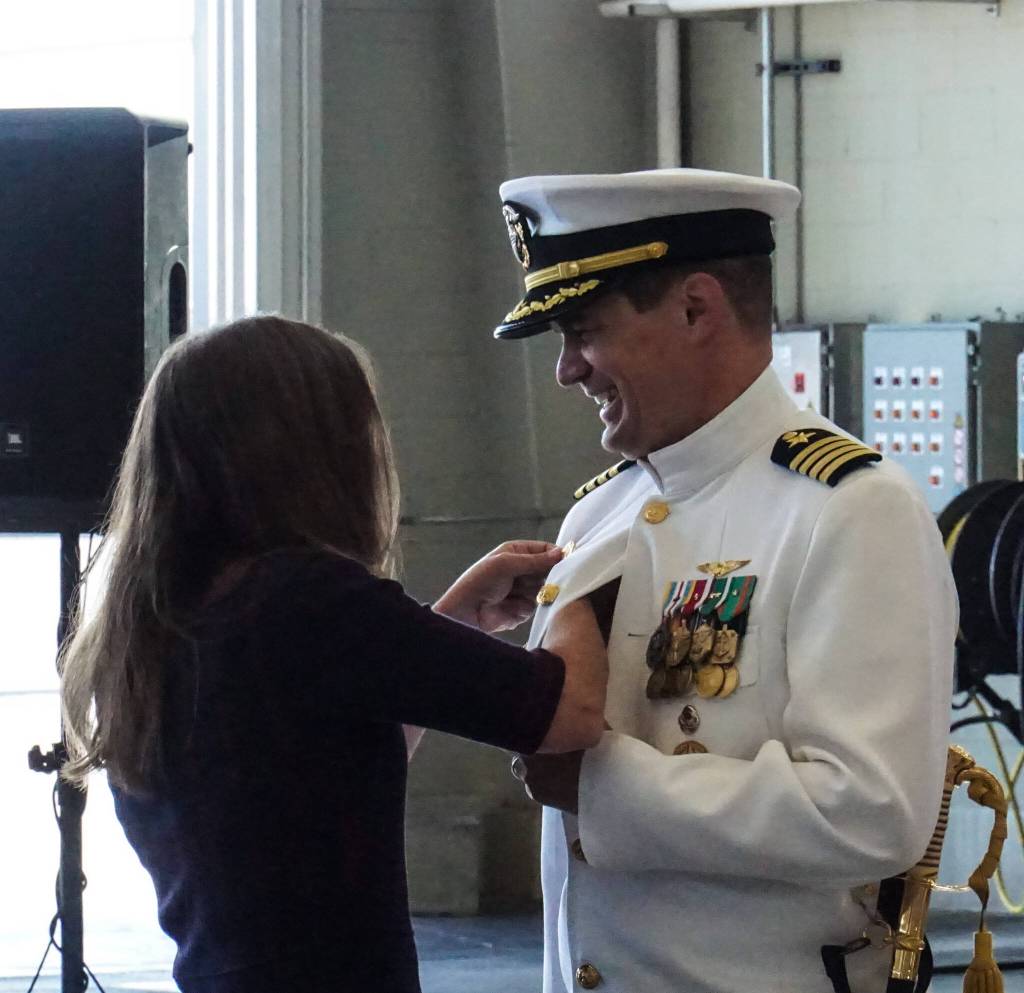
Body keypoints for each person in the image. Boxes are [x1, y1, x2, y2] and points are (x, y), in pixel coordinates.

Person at [495, 170, 957, 993]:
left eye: (584, 330)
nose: (567, 370)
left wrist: (604, 789)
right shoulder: (598, 516)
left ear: (696, 309)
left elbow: (872, 811)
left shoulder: (850, 509)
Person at [58, 315, 609, 993]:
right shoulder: (310, 597)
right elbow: (570, 711)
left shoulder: (160, 617)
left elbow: (324, 775)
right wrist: (585, 569)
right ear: (317, 451)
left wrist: (455, 618)